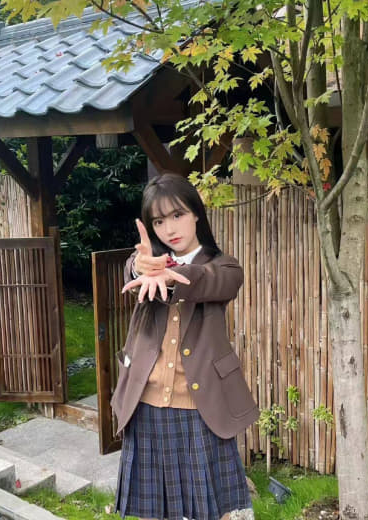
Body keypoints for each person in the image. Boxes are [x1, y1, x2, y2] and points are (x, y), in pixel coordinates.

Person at [111, 172, 259, 520]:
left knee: (209, 511)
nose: (169, 229)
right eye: (158, 221)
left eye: (177, 215)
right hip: (145, 404)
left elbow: (214, 281)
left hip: (200, 406)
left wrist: (172, 276)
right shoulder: (149, 264)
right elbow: (133, 268)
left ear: (196, 214)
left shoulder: (224, 266)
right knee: (153, 511)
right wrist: (141, 268)